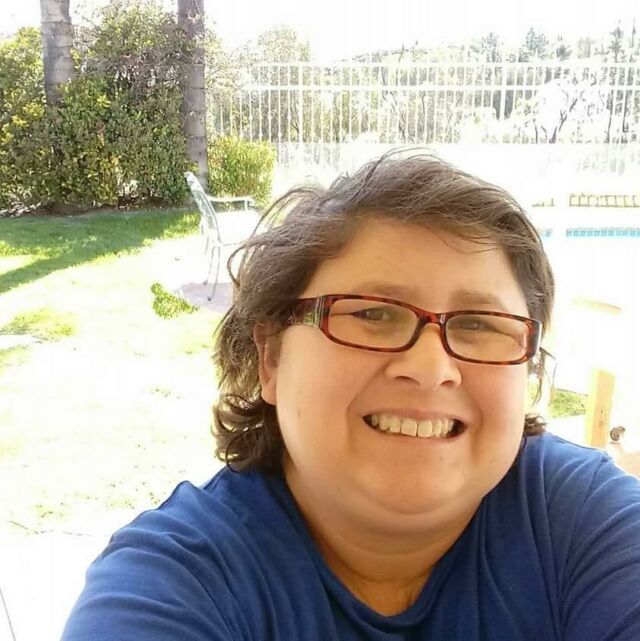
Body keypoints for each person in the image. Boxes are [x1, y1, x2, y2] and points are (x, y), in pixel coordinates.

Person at [61, 149, 640, 640]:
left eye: (478, 324)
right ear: (271, 358)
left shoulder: (584, 522)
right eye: (371, 314)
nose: (431, 368)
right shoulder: (172, 589)